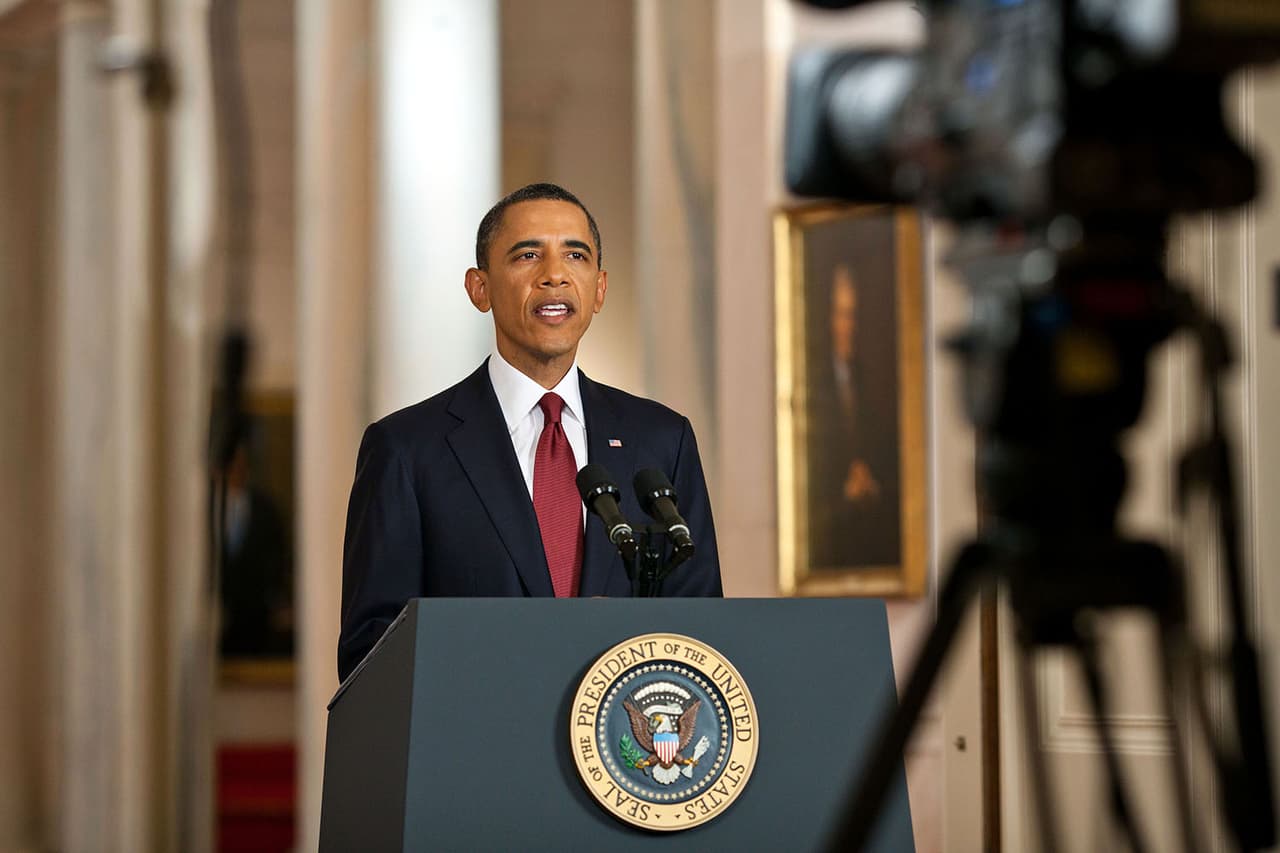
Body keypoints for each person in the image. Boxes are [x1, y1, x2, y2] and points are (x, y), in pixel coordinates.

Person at [337, 183, 723, 681]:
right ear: (480, 288)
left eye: (575, 256)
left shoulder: (662, 440)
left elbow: (703, 634)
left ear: (600, 288)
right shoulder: (407, 449)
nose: (554, 276)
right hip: (477, 745)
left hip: (621, 748)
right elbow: (372, 652)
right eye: (527, 255)